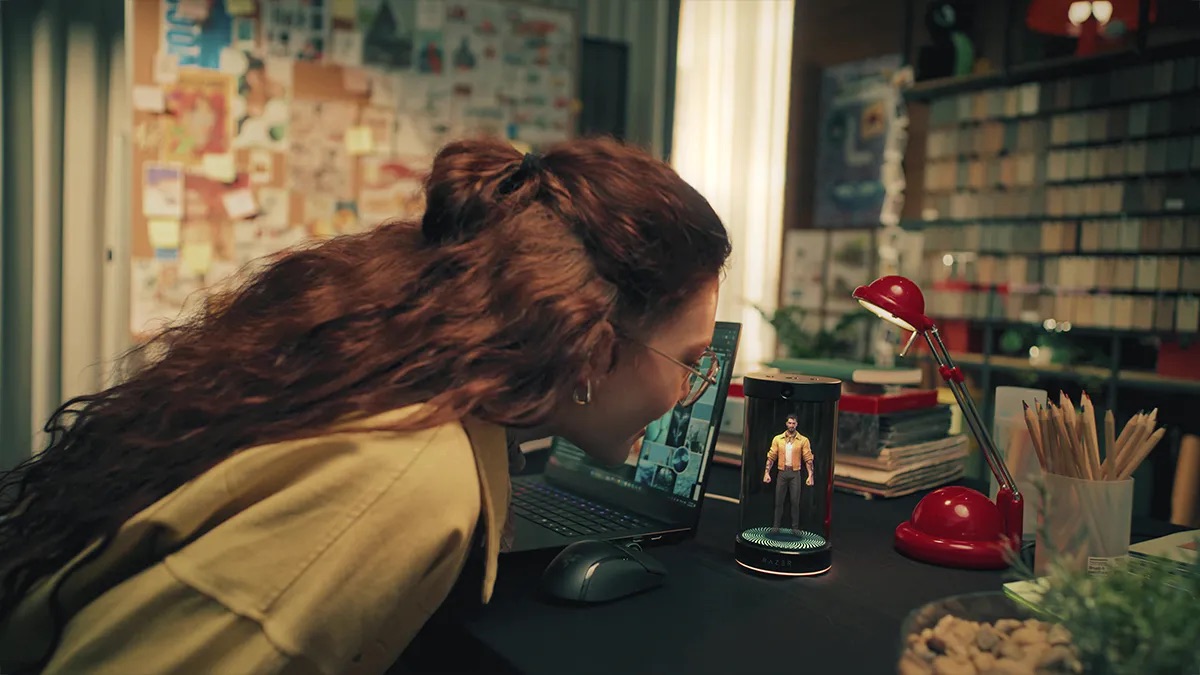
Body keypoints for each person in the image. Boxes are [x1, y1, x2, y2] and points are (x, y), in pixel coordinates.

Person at [0, 136, 731, 674]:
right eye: (690, 361)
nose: (688, 391)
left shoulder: (408, 379)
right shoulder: (407, 479)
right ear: (596, 347)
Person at [762, 414, 815, 533]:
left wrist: (810, 475)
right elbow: (771, 456)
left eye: (793, 423)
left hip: (795, 473)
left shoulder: (803, 440)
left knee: (795, 502)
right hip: (782, 472)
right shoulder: (778, 439)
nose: (791, 425)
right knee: (779, 501)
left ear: (797, 424)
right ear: (786, 424)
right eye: (789, 423)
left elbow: (808, 458)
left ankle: (795, 528)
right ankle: (776, 526)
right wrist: (767, 472)